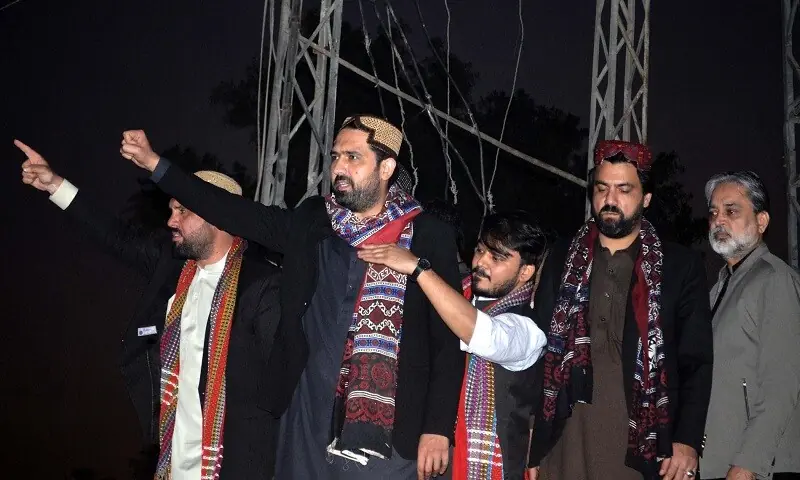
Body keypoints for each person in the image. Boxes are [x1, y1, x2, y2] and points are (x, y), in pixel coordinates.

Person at [117, 114, 465, 479]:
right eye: (335, 157)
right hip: (307, 424)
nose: (339, 168)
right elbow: (233, 211)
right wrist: (155, 164)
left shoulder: (426, 235)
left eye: (353, 157)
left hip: (390, 437)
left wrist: (438, 427)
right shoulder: (315, 220)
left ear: (386, 167)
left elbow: (445, 340)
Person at [16, 140, 283, 479]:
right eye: (171, 209)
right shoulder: (170, 268)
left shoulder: (263, 285)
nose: (171, 220)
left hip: (236, 467)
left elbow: (284, 388)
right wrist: (55, 185)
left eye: (183, 210)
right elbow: (115, 235)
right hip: (173, 463)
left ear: (219, 215)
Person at [527, 140, 714, 480]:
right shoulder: (564, 258)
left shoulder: (679, 266)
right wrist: (535, 442)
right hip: (567, 440)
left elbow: (696, 361)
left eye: (624, 189)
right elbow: (540, 348)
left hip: (642, 443)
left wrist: (687, 440)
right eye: (602, 188)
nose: (610, 200)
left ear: (646, 198)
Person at [357, 210, 548, 479]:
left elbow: (483, 335)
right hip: (425, 454)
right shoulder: (455, 295)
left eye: (497, 258)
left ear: (525, 272)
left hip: (483, 466)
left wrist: (419, 269)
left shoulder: (528, 330)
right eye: (480, 250)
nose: (481, 262)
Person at [702, 171, 800, 480]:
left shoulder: (775, 279)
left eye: (731, 211)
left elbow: (782, 383)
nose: (719, 220)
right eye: (714, 212)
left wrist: (748, 463)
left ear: (761, 221)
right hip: (718, 462)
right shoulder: (719, 289)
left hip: (755, 468)